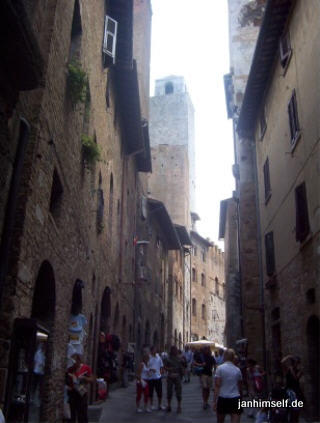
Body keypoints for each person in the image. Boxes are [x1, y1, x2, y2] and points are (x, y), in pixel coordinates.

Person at [213, 348, 243, 423]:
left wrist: (214, 401)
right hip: (235, 398)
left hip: (223, 397)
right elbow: (240, 387)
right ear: (233, 357)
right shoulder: (237, 370)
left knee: (220, 421)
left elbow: (217, 386)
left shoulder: (219, 369)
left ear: (224, 357)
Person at [67, 354, 94, 423]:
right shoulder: (70, 369)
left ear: (79, 361)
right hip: (72, 393)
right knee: (72, 413)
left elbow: (91, 379)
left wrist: (84, 378)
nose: (74, 364)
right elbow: (67, 381)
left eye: (75, 362)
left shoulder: (86, 368)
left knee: (82, 413)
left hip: (82, 393)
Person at [282, 355, 304, 422]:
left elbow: (296, 378)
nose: (295, 364)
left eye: (297, 362)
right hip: (288, 390)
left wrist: (292, 370)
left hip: (295, 391)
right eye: (294, 362)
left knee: (295, 409)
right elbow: (282, 363)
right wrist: (288, 357)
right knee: (287, 408)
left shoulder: (299, 370)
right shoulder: (288, 369)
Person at [164, 346, 184, 413]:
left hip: (177, 377)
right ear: (172, 351)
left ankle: (179, 406)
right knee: (169, 391)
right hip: (170, 377)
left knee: (178, 392)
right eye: (174, 350)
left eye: (176, 350)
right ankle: (169, 406)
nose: (175, 351)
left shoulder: (179, 358)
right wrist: (169, 369)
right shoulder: (168, 358)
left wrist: (181, 375)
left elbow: (181, 368)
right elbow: (165, 367)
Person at [148, 346, 166, 410]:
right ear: (151, 351)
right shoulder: (148, 357)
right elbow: (146, 366)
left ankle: (160, 405)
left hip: (158, 377)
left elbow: (161, 365)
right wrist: (151, 369)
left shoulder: (158, 357)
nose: (155, 351)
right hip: (150, 377)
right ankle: (151, 404)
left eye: (156, 350)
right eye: (154, 350)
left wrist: (161, 371)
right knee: (151, 392)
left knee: (159, 392)